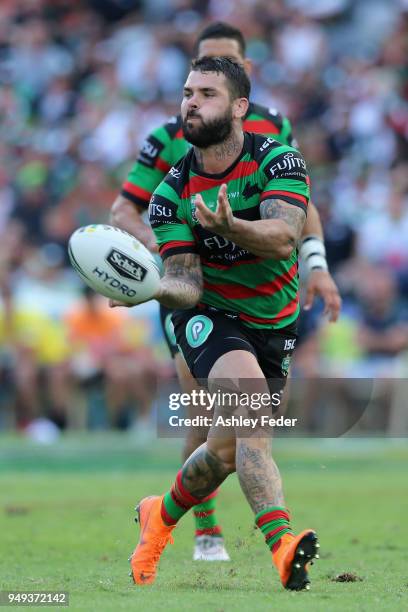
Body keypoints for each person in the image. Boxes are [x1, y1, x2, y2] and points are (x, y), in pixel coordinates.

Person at [110, 22, 340, 562]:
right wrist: (149, 285)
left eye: (206, 93)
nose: (191, 103)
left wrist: (306, 258)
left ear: (240, 102)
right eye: (188, 91)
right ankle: (280, 544)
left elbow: (287, 232)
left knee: (228, 445)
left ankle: (159, 514)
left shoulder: (278, 152)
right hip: (208, 313)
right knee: (243, 414)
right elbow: (185, 283)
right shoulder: (169, 189)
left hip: (275, 315)